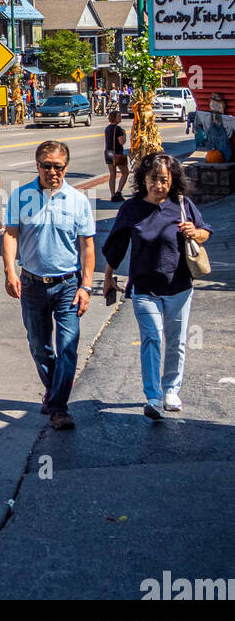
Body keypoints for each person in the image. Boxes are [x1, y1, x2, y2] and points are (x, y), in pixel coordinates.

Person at [102, 152, 212, 420]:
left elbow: (205, 231)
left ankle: (171, 390)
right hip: (144, 288)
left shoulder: (182, 204)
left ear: (172, 180)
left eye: (164, 179)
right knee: (152, 337)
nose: (158, 185)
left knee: (176, 341)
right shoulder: (132, 209)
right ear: (143, 179)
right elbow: (116, 246)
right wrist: (108, 277)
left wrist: (194, 232)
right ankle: (152, 396)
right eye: (153, 179)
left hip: (179, 287)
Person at [3, 141, 95, 431]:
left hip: (69, 284)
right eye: (46, 165)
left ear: (66, 168)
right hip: (32, 283)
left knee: (67, 347)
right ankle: (55, 389)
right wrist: (9, 271)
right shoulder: (21, 196)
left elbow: (88, 245)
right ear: (37, 165)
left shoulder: (78, 200)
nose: (52, 171)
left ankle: (58, 407)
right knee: (39, 346)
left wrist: (87, 286)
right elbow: (10, 234)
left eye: (58, 166)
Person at [105, 109, 129, 201]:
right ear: (114, 118)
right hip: (117, 153)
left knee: (112, 174)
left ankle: (112, 194)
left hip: (108, 152)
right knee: (125, 172)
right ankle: (119, 192)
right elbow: (122, 142)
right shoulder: (118, 129)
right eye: (118, 116)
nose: (120, 118)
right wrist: (124, 134)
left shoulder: (108, 128)